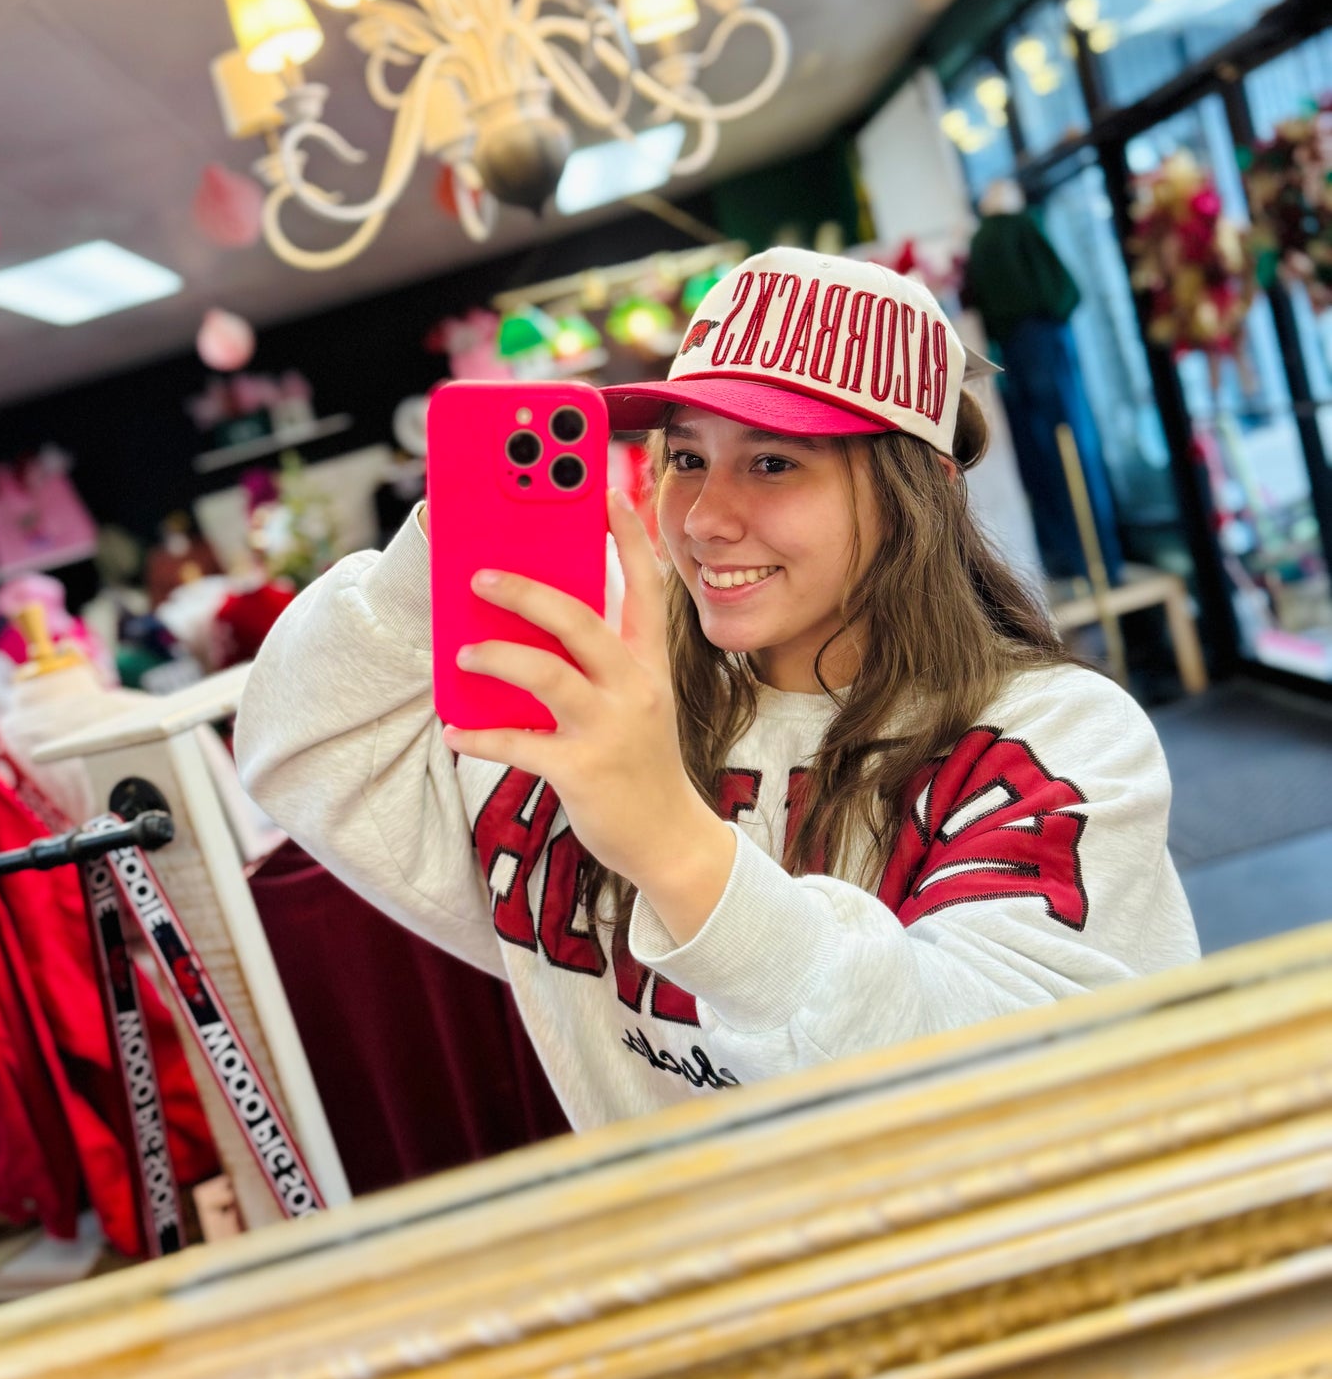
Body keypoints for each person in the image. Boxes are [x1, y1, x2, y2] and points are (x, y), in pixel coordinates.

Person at [236, 248, 1199, 1131]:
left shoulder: (1053, 736)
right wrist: (453, 542)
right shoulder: (601, 710)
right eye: (686, 459)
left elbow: (1005, 1089)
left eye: (773, 463)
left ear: (923, 489)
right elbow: (304, 743)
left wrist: (672, 845)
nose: (702, 518)